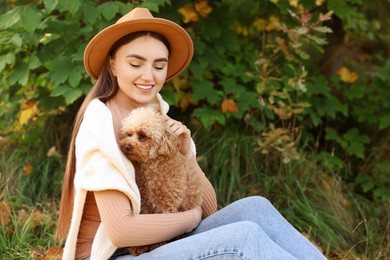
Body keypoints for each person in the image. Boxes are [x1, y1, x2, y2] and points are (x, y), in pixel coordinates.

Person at [55, 7, 326, 260]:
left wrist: (185, 155)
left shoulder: (159, 120)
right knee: (243, 237)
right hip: (114, 255)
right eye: (136, 64)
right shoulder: (100, 122)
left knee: (256, 207)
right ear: (113, 65)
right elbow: (122, 231)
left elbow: (208, 210)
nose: (149, 76)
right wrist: (189, 219)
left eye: (159, 66)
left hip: (160, 244)